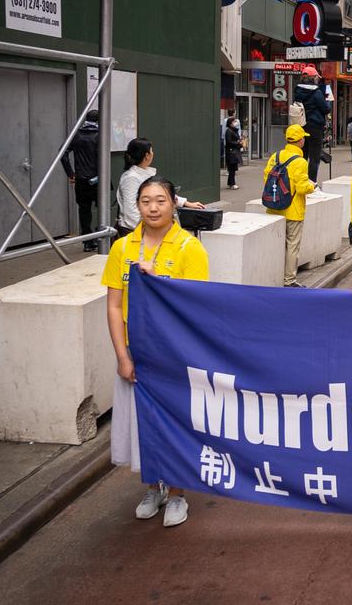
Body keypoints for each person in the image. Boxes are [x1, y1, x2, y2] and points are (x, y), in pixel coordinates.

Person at [102, 175, 209, 528]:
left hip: (174, 352)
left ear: (173, 203)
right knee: (141, 423)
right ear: (137, 206)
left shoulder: (188, 248)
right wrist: (122, 356)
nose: (152, 207)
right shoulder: (122, 248)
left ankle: (178, 492)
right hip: (137, 350)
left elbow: (195, 307)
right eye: (146, 200)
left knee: (174, 422)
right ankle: (153, 487)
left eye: (160, 200)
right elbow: (115, 306)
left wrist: (159, 282)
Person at [116, 138, 204, 239]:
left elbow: (163, 193)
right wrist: (152, 228)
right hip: (135, 233)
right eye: (151, 150)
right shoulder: (131, 178)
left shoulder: (145, 173)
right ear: (147, 155)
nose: (153, 153)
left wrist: (186, 203)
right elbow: (131, 212)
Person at [263, 125, 317, 287]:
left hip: (273, 206)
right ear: (300, 141)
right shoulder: (300, 162)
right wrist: (312, 186)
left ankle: (272, 275)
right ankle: (289, 280)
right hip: (293, 210)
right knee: (292, 246)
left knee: (276, 245)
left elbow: (266, 177)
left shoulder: (276, 156)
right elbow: (302, 188)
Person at [61, 110, 102, 252]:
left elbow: (63, 152)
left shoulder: (77, 134)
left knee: (84, 210)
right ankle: (102, 236)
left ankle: (87, 241)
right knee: (102, 208)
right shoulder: (100, 135)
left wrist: (70, 173)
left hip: (81, 179)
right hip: (98, 178)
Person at [292, 66, 331, 181]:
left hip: (301, 125)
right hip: (315, 126)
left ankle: (300, 180)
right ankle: (311, 182)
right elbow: (325, 109)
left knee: (302, 154)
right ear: (313, 77)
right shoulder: (316, 92)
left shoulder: (297, 91)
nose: (317, 79)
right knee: (314, 156)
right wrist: (326, 101)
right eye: (316, 77)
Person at [224, 118, 243, 189]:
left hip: (235, 151)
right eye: (234, 121)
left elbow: (236, 139)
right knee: (231, 169)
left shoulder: (234, 130)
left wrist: (240, 143)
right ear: (230, 123)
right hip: (231, 152)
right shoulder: (228, 131)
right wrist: (238, 143)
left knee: (233, 168)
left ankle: (230, 183)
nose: (236, 123)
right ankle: (232, 184)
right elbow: (229, 142)